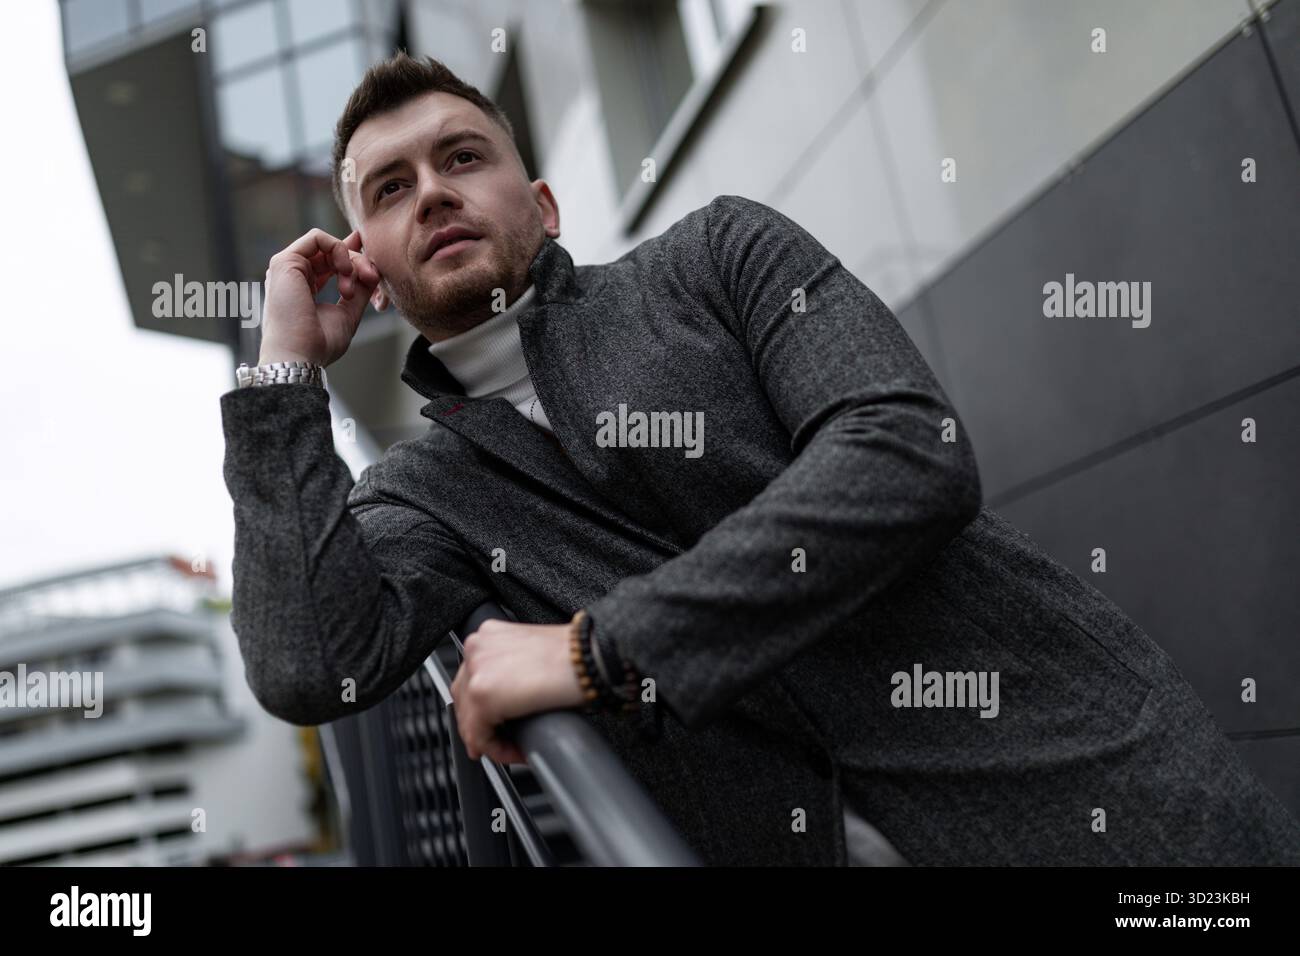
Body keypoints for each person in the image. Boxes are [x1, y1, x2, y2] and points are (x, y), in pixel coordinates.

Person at [220, 53, 1300, 866]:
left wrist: (608, 648)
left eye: (462, 157)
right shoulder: (423, 491)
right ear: (365, 265)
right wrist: (281, 374)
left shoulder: (718, 255)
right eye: (390, 188)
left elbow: (904, 451)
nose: (435, 192)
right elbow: (315, 662)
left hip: (1097, 798)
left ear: (541, 206)